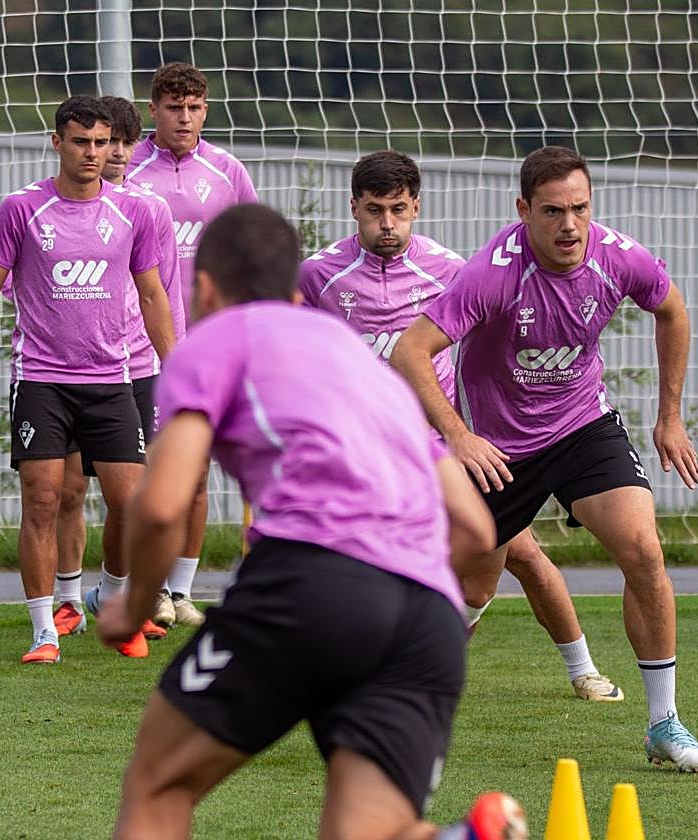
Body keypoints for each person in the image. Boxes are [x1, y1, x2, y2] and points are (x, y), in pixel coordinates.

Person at [96, 202, 523, 840]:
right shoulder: (366, 370)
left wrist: (132, 610)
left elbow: (160, 505)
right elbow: (475, 530)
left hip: (310, 582)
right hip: (429, 616)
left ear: (205, 288)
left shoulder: (216, 338)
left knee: (159, 785)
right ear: (296, 292)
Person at [391, 145, 698, 772]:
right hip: (498, 449)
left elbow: (672, 310)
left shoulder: (619, 258)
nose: (569, 226)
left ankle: (664, 725)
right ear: (524, 211)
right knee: (471, 590)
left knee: (643, 549)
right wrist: (459, 436)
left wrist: (670, 416)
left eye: (580, 209)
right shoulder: (492, 273)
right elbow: (410, 352)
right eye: (552, 212)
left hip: (580, 426)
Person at [298, 150, 622, 704]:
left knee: (521, 553)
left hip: (446, 447)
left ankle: (583, 667)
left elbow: (498, 341)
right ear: (353, 208)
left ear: (416, 207)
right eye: (374, 211)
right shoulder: (319, 275)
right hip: (367, 453)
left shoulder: (451, 269)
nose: (387, 224)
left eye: (399, 210)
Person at [0, 95, 175, 663]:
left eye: (102, 143)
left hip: (114, 379)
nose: (92, 153)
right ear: (57, 143)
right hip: (41, 380)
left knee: (130, 505)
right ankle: (44, 629)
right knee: (43, 498)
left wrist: (177, 365)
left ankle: (111, 599)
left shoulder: (134, 213)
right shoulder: (21, 208)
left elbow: (153, 292)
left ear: (114, 147)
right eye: (80, 142)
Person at [47, 95, 187, 640]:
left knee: (131, 492)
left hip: (137, 364)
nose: (119, 153)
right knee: (67, 490)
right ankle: (63, 597)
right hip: (72, 365)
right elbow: (28, 285)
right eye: (111, 142)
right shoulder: (52, 213)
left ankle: (116, 594)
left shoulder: (148, 209)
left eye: (127, 142)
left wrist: (175, 358)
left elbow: (164, 292)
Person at [126, 62, 258, 628]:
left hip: (209, 346)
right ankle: (134, 585)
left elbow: (252, 249)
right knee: (146, 471)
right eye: (174, 107)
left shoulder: (227, 171)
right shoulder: (127, 167)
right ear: (153, 109)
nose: (185, 117)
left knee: (199, 469)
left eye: (195, 107)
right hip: (138, 342)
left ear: (206, 109)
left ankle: (178, 592)